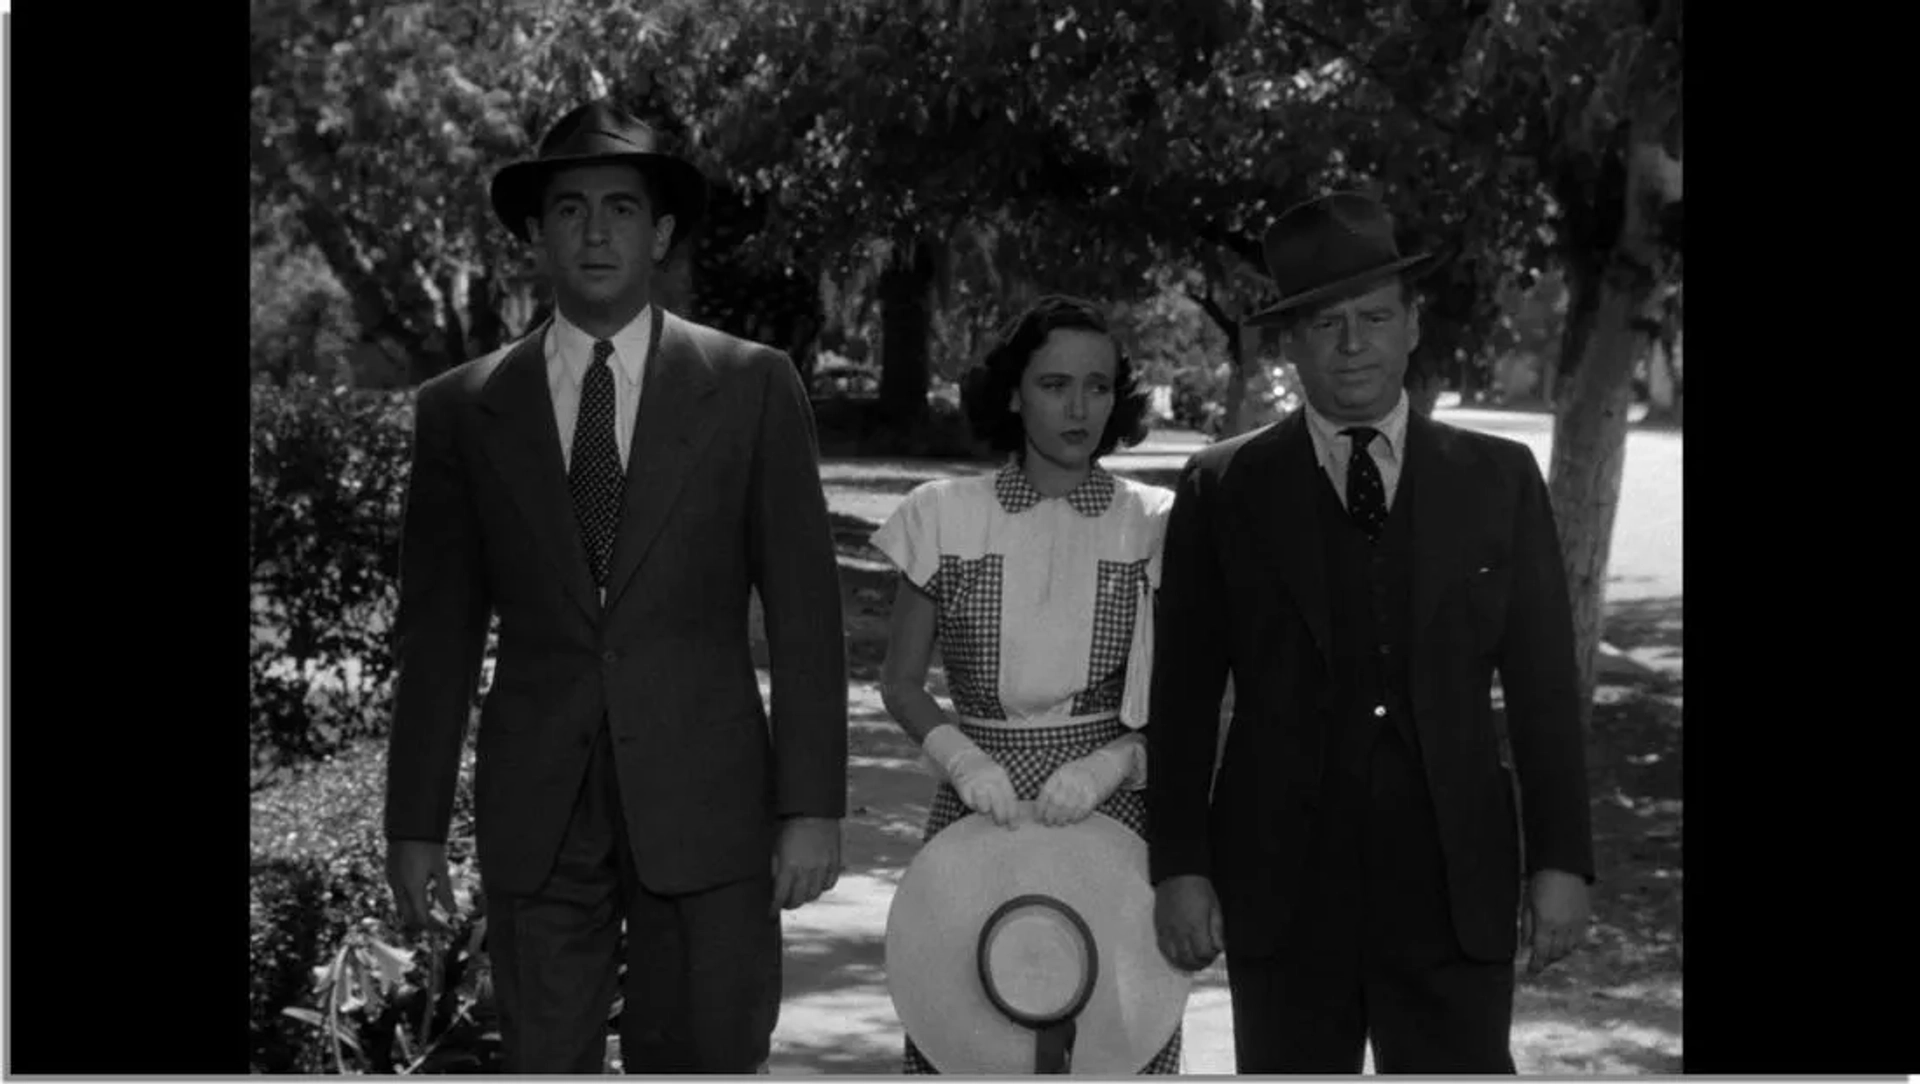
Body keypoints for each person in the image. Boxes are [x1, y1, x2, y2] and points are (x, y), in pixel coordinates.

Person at [381, 99, 849, 1074]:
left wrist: (812, 805)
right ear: (535, 234)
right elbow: (439, 638)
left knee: (706, 1055)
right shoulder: (463, 411)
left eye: (622, 209)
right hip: (539, 804)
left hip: (707, 798)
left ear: (661, 231)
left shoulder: (753, 386)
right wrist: (415, 822)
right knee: (545, 1060)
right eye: (570, 209)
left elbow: (806, 619)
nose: (596, 232)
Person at [1145, 192, 1596, 1074]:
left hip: (1453, 884)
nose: (1353, 344)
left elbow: (1544, 690)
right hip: (1284, 885)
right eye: (1325, 325)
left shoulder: (1498, 480)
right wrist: (1180, 866)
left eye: (1375, 317)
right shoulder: (1221, 489)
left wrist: (1562, 861)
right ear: (1291, 343)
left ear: (1413, 325)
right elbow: (1185, 696)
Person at [870, 295, 1184, 1074]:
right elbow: (900, 682)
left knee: (1115, 1027)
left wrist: (1115, 762)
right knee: (968, 1021)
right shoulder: (942, 514)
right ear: (1014, 392)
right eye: (1054, 385)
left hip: (1109, 811)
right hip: (981, 808)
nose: (1080, 408)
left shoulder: (1154, 521)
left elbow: (1188, 692)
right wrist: (963, 761)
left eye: (1099, 386)